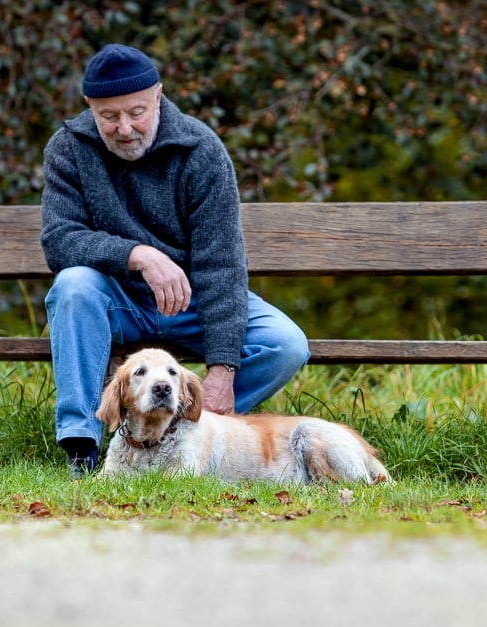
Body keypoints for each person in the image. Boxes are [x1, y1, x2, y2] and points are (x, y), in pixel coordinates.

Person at [40, 44, 310, 477]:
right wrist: (137, 255)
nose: (125, 128)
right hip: (118, 300)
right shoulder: (69, 148)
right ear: (90, 107)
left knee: (286, 344)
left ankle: (191, 431)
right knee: (72, 286)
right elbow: (60, 240)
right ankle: (83, 448)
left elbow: (222, 267)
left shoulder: (200, 150)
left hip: (192, 305)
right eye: (109, 116)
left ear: (159, 96)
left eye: (136, 112)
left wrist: (222, 370)